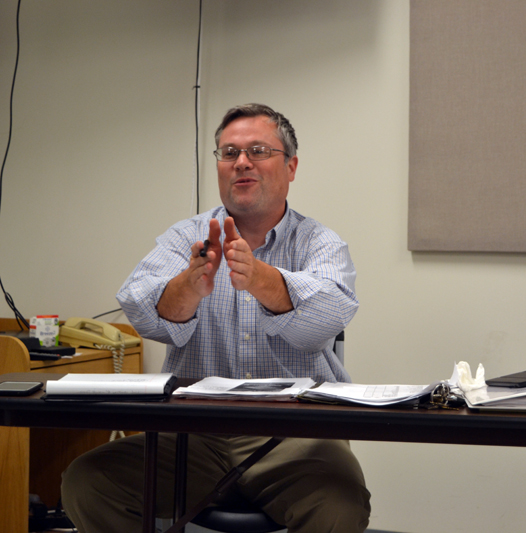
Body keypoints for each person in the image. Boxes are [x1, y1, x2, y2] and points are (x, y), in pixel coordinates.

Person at [61, 103, 371, 533]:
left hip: (294, 436)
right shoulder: (185, 237)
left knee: (339, 505)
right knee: (88, 481)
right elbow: (139, 305)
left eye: (258, 150)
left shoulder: (321, 243)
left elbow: (326, 319)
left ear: (291, 166)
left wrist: (263, 280)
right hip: (193, 432)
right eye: (229, 153)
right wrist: (187, 287)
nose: (241, 162)